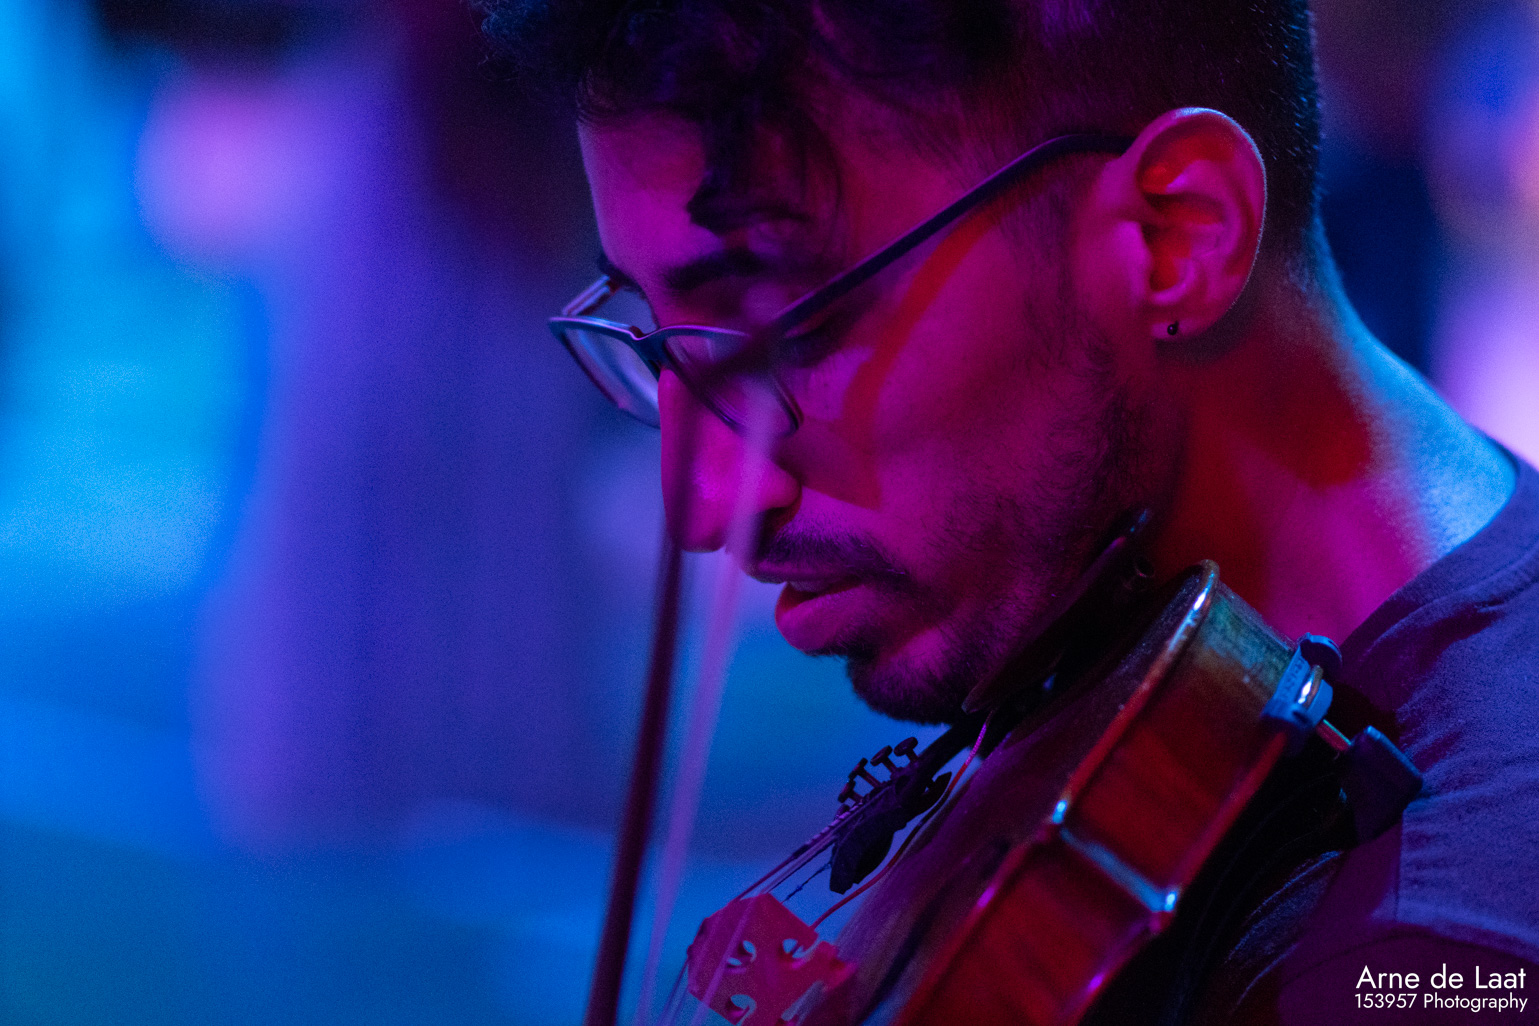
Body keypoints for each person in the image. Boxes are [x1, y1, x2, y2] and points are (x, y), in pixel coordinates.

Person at [478, 0, 1539, 1021]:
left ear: (1175, 238)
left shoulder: (1433, 957)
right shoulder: (1107, 660)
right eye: (659, 339)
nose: (703, 502)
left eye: (786, 330)